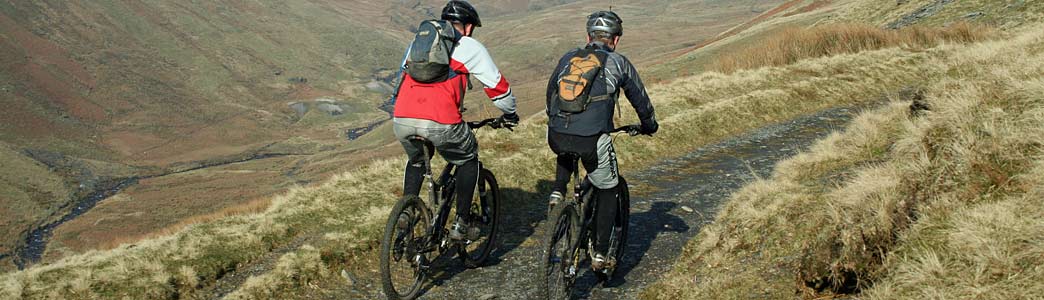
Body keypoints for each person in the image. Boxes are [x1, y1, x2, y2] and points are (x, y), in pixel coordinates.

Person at [393, 0, 519, 241]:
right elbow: (498, 89)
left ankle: (407, 211)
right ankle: (461, 221)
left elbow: (403, 73)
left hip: (402, 116)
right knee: (468, 158)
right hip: (441, 120)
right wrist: (510, 113)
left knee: (418, 159)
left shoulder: (418, 43)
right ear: (469, 27)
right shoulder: (470, 46)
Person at [544, 10, 658, 272]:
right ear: (615, 40)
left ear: (588, 36)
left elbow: (551, 91)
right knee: (609, 188)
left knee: (567, 146)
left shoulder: (568, 57)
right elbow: (639, 98)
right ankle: (601, 254)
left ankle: (557, 191)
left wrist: (555, 119)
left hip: (557, 133)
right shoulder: (618, 62)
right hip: (592, 138)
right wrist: (649, 125)